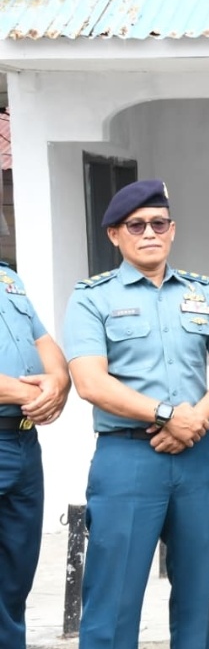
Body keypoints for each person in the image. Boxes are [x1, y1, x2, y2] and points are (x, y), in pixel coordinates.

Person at [63, 179, 209, 648]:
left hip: (197, 457)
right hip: (128, 459)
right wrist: (167, 415)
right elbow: (90, 382)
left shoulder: (204, 292)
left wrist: (193, 421)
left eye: (159, 224)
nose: (149, 233)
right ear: (114, 234)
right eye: (136, 225)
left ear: (172, 230)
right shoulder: (92, 297)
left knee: (197, 600)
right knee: (113, 604)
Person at [0, 264, 70, 649]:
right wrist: (30, 393)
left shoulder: (8, 278)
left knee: (15, 578)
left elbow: (44, 343)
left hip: (23, 443)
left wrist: (58, 381)